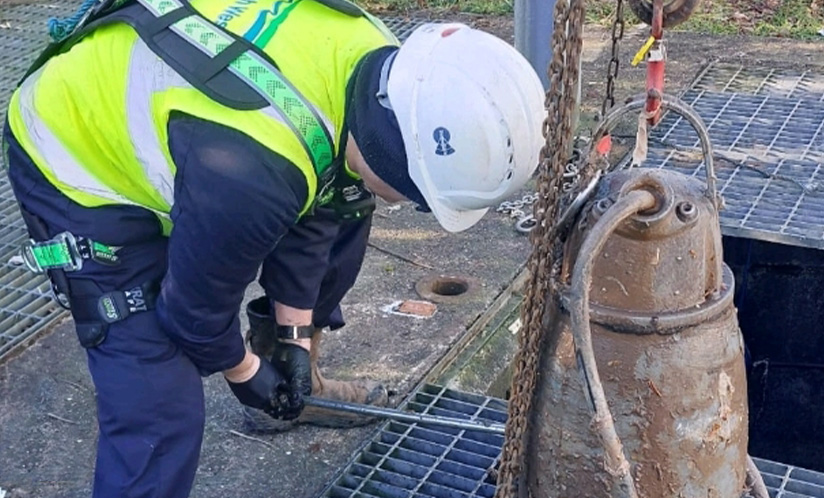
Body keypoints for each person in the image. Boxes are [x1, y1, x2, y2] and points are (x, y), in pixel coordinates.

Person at [2, 0, 545, 495]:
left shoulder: (377, 57)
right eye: (422, 198)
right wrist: (246, 375)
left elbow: (324, 198)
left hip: (214, 144)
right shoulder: (248, 180)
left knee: (346, 222)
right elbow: (192, 316)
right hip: (76, 153)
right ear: (392, 152)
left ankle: (297, 385)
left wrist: (293, 341)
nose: (414, 208)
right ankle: (242, 411)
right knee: (158, 400)